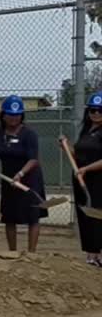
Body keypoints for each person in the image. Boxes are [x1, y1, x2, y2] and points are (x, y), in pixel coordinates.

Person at [0, 95, 47, 252]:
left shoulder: (29, 134)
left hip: (29, 179)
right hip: (8, 179)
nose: (13, 118)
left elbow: (33, 159)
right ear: (3, 115)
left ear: (22, 115)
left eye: (17, 114)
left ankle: (31, 254)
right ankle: (12, 252)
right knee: (9, 217)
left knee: (32, 217)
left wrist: (21, 174)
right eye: (10, 114)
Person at [66, 91, 102, 266]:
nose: (96, 113)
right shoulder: (87, 131)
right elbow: (79, 156)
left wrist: (87, 169)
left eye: (100, 110)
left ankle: (99, 253)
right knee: (85, 215)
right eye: (93, 110)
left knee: (97, 214)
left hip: (97, 180)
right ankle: (90, 253)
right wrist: (66, 148)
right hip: (82, 178)